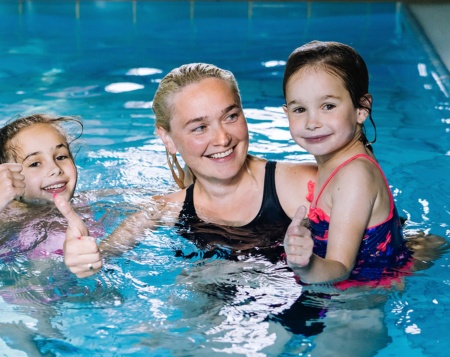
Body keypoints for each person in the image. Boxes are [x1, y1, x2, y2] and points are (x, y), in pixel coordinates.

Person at [55, 62, 317, 277]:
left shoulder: (301, 185)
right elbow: (97, 261)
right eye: (199, 127)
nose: (222, 139)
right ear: (167, 138)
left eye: (230, 116)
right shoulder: (163, 211)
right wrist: (82, 260)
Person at [282, 41, 412, 285]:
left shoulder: (354, 176)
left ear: (361, 109)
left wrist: (305, 263)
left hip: (361, 297)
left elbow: (340, 268)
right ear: (285, 112)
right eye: (299, 109)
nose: (312, 122)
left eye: (328, 106)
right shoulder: (339, 159)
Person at [0, 113, 93, 259]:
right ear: (8, 177)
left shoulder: (84, 202)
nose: (55, 168)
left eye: (61, 157)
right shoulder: (7, 220)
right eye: (35, 163)